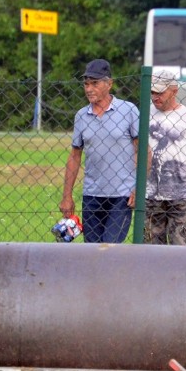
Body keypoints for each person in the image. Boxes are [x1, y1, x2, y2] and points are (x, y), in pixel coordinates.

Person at [60, 59, 140, 243]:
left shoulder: (128, 111)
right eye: (86, 84)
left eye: (94, 83)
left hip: (122, 196)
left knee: (109, 248)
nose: (89, 89)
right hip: (92, 195)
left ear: (109, 83)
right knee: (91, 251)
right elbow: (74, 156)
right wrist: (67, 196)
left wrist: (138, 187)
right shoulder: (81, 116)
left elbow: (143, 151)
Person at [144, 69, 186, 245]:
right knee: (150, 249)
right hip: (150, 195)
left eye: (160, 92)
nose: (155, 97)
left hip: (180, 195)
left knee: (182, 249)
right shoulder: (145, 114)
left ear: (174, 91)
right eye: (152, 92)